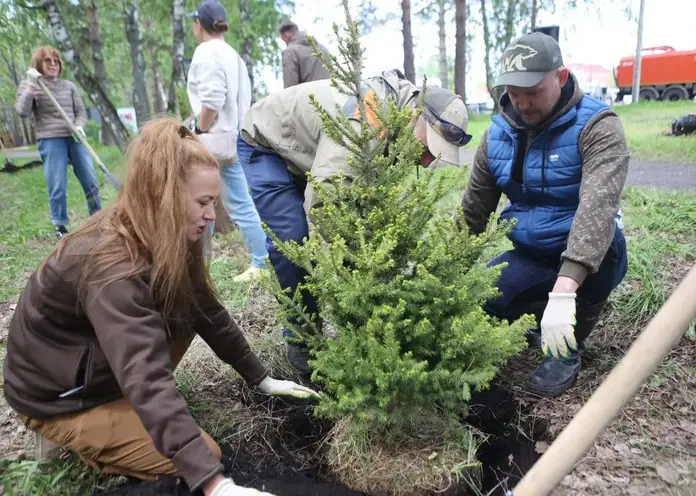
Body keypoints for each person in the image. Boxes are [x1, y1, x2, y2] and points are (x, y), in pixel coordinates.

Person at [3, 117, 319, 496]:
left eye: (213, 203)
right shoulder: (112, 266)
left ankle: (133, 416)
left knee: (187, 308)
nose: (212, 216)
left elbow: (207, 310)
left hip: (98, 359)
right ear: (166, 196)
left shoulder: (162, 229)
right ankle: (74, 434)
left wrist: (259, 377)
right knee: (203, 457)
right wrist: (215, 484)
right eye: (203, 203)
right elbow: (145, 375)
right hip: (60, 396)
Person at [238, 69, 472, 374]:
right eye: (428, 147)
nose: (427, 161)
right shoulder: (367, 122)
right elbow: (325, 200)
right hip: (267, 141)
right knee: (292, 240)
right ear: (417, 115)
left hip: (312, 150)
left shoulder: (398, 118)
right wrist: (353, 270)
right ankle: (302, 339)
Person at [460, 32, 629, 397]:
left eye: (533, 91)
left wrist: (566, 290)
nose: (522, 103)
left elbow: (597, 210)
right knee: (483, 300)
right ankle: (539, 313)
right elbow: (473, 212)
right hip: (531, 252)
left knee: (600, 253)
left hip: (591, 254)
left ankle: (567, 348)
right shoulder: (497, 136)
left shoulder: (599, 127)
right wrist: (440, 269)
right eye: (514, 93)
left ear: (561, 77)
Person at [187, 0, 269, 283]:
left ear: (199, 24)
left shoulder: (205, 53)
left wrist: (199, 126)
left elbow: (211, 99)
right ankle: (262, 261)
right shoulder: (232, 54)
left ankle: (198, 267)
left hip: (212, 140)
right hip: (235, 137)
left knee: (200, 201)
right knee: (241, 202)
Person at [15, 45, 102, 238]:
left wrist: (79, 126)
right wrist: (30, 86)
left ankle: (98, 218)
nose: (53, 65)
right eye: (47, 61)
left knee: (90, 179)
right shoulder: (30, 85)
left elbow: (81, 112)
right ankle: (60, 226)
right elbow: (22, 111)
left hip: (75, 138)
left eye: (56, 61)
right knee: (57, 184)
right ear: (39, 64)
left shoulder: (68, 86)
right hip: (50, 139)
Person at [278, 19, 331, 88]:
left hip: (309, 98)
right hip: (331, 96)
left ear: (286, 35)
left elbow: (290, 89)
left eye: (283, 40)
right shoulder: (323, 49)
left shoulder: (290, 51)